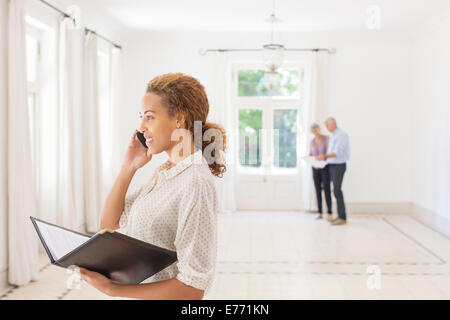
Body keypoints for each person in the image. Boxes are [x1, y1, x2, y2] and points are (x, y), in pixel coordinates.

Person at [75, 73, 227, 299]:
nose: (141, 127)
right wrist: (128, 168)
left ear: (180, 119)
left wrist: (114, 290)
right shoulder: (166, 173)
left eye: (149, 117)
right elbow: (110, 227)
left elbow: (193, 289)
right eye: (142, 117)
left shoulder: (195, 182)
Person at [315, 117, 350, 226]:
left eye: (327, 126)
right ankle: (338, 216)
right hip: (331, 165)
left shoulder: (341, 135)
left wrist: (324, 156)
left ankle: (342, 217)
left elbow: (337, 152)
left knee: (337, 190)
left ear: (333, 124)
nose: (327, 128)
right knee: (332, 190)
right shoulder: (334, 135)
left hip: (338, 165)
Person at [308, 123, 332, 220]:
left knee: (326, 189)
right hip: (315, 168)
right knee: (317, 190)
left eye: (316, 130)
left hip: (325, 167)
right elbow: (310, 153)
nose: (315, 133)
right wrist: (309, 158)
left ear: (319, 129)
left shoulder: (326, 139)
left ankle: (329, 211)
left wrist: (322, 158)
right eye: (313, 132)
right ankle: (319, 211)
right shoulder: (312, 141)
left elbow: (329, 153)